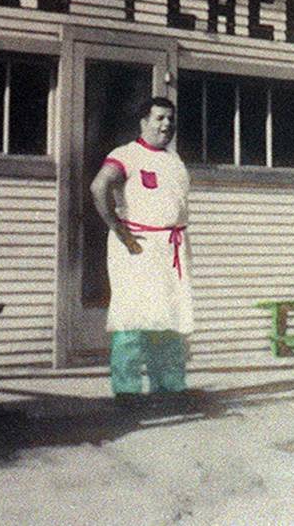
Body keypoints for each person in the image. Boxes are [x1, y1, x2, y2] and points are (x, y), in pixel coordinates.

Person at [89, 96, 194, 406]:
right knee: (133, 315)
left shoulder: (174, 161)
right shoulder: (126, 155)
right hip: (138, 246)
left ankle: (170, 385)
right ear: (144, 122)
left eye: (170, 119)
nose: (166, 125)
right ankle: (127, 389)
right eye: (159, 118)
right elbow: (99, 187)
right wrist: (119, 230)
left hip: (171, 246)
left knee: (170, 314)